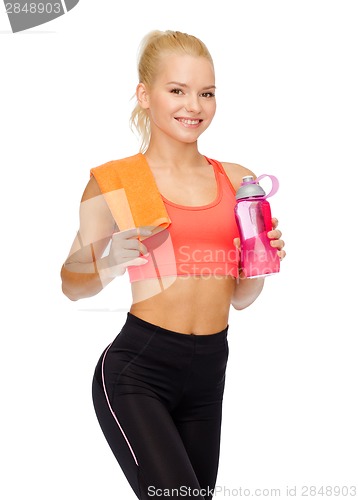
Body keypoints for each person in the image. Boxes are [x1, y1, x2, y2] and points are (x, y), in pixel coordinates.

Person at [61, 30, 286, 500]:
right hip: (139, 370)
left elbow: (241, 299)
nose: (194, 106)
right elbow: (70, 284)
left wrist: (260, 261)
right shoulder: (117, 181)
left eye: (206, 93)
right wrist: (108, 264)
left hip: (209, 372)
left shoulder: (238, 181)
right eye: (177, 90)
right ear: (145, 95)